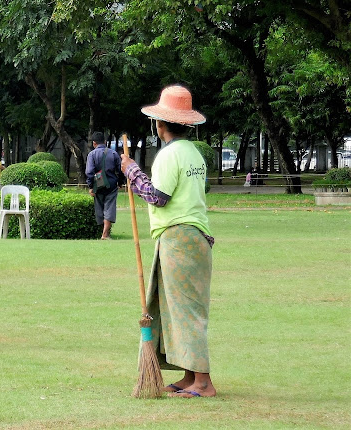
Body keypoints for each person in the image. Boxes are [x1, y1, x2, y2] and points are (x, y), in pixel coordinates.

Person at [119, 85, 216, 398]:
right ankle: (190, 376)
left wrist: (132, 172)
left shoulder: (168, 155)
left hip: (179, 237)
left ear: (159, 124)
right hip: (194, 237)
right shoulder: (194, 154)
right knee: (179, 308)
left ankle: (203, 382)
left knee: (186, 311)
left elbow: (157, 197)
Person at [84, 132, 122, 240]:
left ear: (94, 143)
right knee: (109, 207)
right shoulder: (113, 153)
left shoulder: (91, 154)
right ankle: (105, 234)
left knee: (99, 208)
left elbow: (89, 172)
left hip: (98, 185)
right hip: (111, 184)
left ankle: (103, 232)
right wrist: (120, 182)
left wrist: (91, 186)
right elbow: (120, 170)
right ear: (105, 142)